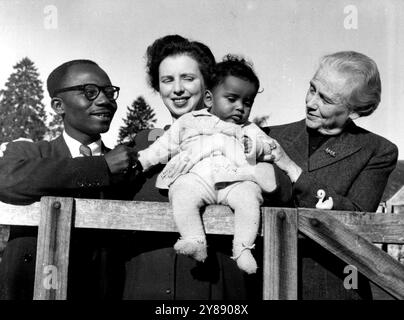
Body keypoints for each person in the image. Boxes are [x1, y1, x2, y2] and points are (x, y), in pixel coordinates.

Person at [123, 35, 291, 300]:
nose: (177, 89)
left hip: (218, 286)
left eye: (188, 78)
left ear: (208, 84)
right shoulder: (141, 143)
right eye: (167, 80)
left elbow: (280, 188)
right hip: (148, 286)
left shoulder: (244, 136)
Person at [261, 51, 398, 299]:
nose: (311, 102)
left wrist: (293, 171)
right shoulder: (270, 135)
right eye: (312, 88)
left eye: (326, 99)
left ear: (355, 111)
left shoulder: (377, 151)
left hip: (335, 287)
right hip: (269, 281)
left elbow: (355, 216)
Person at [0, 59, 140, 299]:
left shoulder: (129, 166)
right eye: (90, 92)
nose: (105, 100)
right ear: (58, 105)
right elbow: (6, 180)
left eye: (109, 92)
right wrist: (100, 168)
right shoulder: (29, 153)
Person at [137, 55, 277, 274]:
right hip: (198, 180)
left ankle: (242, 249)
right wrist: (142, 161)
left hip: (233, 180)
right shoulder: (189, 121)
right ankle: (195, 240)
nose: (240, 108)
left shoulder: (248, 128)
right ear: (210, 99)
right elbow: (163, 145)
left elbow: (269, 147)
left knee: (249, 199)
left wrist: (257, 148)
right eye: (232, 99)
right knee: (181, 192)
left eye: (247, 103)